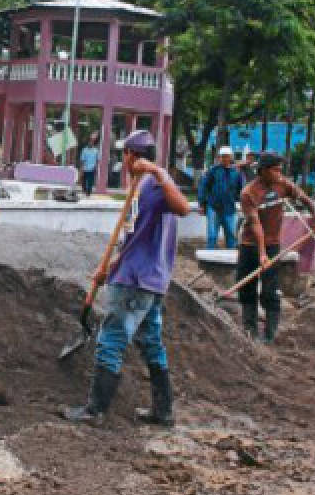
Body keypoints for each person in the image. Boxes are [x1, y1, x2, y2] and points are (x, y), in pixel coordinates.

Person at [64, 130, 190, 425]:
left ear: (132, 156)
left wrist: (157, 171)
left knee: (111, 340)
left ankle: (95, 411)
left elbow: (184, 208)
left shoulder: (157, 183)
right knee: (150, 342)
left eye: (125, 155)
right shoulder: (141, 187)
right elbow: (136, 235)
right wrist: (111, 265)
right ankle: (163, 411)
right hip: (145, 277)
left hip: (136, 281)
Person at [236, 153, 315, 342]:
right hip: (250, 245)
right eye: (275, 169)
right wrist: (261, 254)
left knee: (271, 290)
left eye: (280, 169)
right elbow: (255, 224)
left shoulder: (283, 184)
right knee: (247, 289)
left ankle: (270, 334)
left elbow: (305, 198)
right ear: (263, 171)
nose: (279, 173)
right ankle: (249, 331)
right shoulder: (249, 193)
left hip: (273, 245)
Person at [198, 146, 243, 249]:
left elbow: (241, 190)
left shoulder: (236, 173)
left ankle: (232, 259)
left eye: (227, 156)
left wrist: (240, 201)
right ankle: (209, 257)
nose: (225, 159)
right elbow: (203, 187)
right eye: (222, 157)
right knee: (212, 235)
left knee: (231, 235)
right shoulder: (213, 171)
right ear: (219, 157)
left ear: (231, 157)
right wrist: (202, 204)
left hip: (229, 208)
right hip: (213, 207)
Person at [79, 132, 101, 197]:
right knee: (84, 181)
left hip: (92, 168)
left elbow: (98, 160)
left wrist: (96, 167)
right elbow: (82, 160)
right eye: (89, 142)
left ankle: (88, 193)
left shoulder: (96, 150)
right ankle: (84, 190)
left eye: (91, 142)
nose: (90, 143)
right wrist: (82, 168)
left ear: (93, 143)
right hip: (85, 168)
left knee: (90, 181)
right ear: (88, 143)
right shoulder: (84, 150)